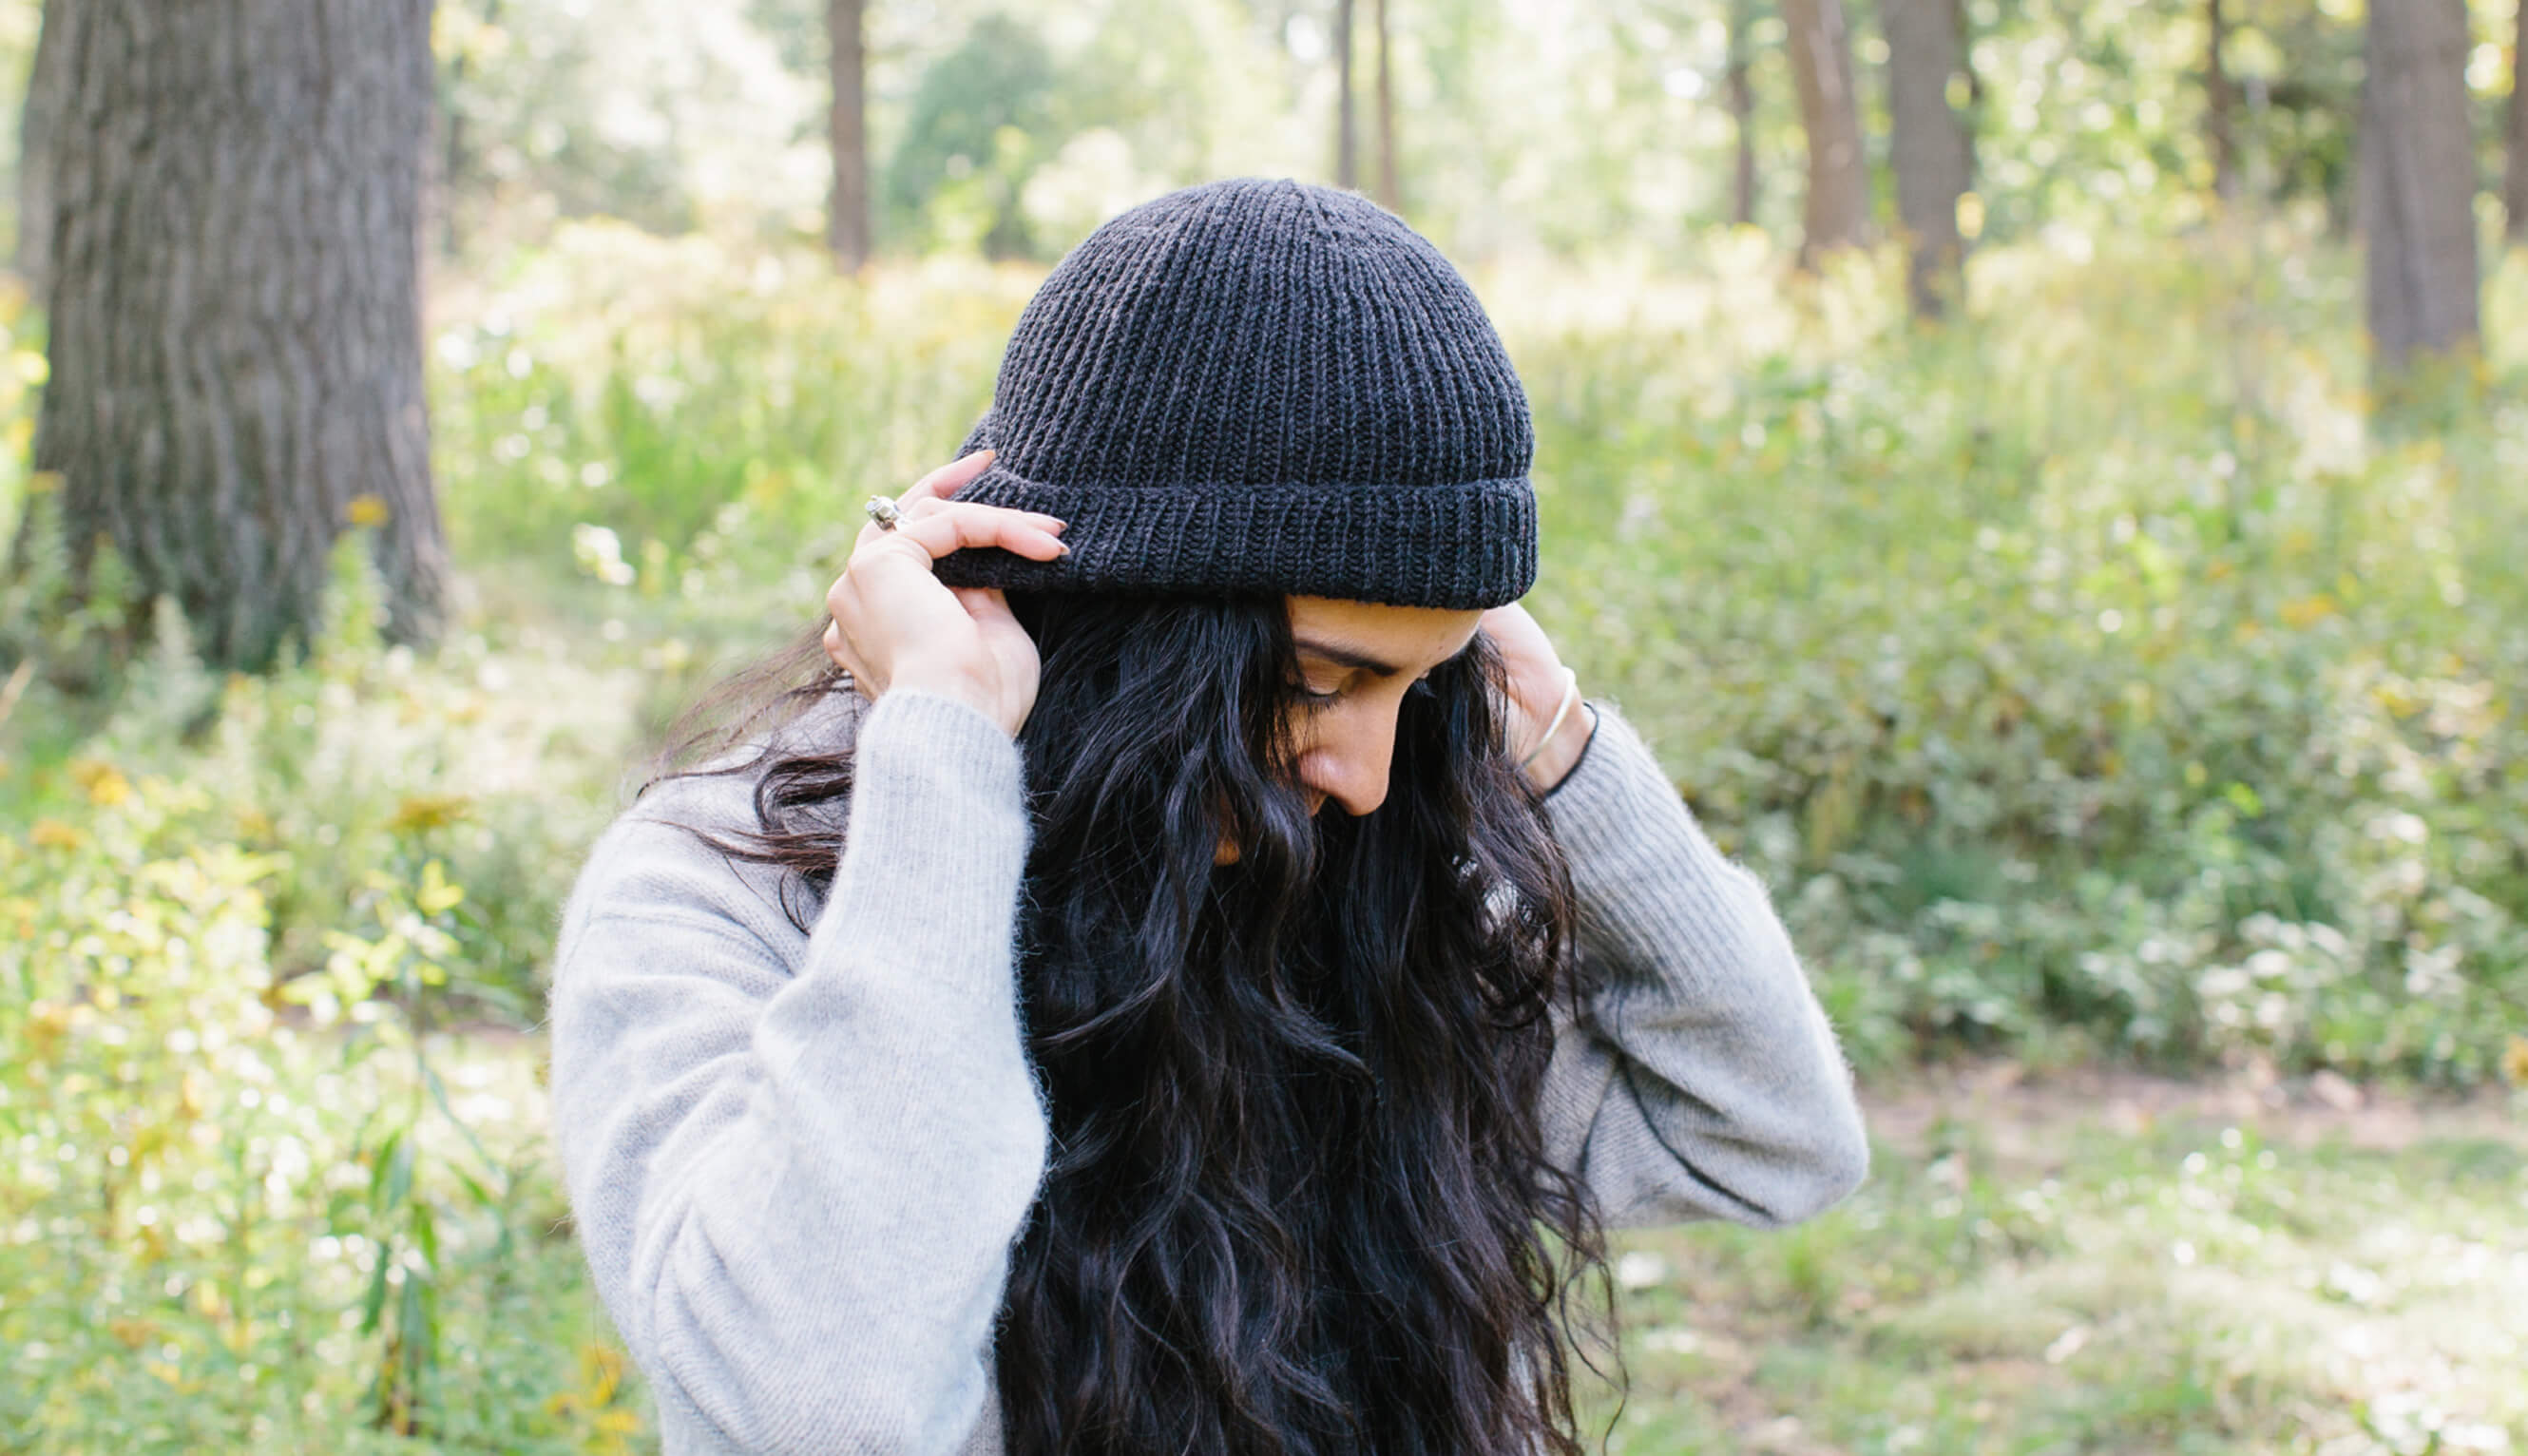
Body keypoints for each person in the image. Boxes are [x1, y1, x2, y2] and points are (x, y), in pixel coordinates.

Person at [546, 178, 1869, 1456]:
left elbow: (1769, 1137)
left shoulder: (1367, 898)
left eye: (1419, 687)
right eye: (1317, 684)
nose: (1366, 775)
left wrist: (1559, 735)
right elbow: (825, 1413)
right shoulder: (721, 895)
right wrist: (939, 767)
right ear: (1128, 637)